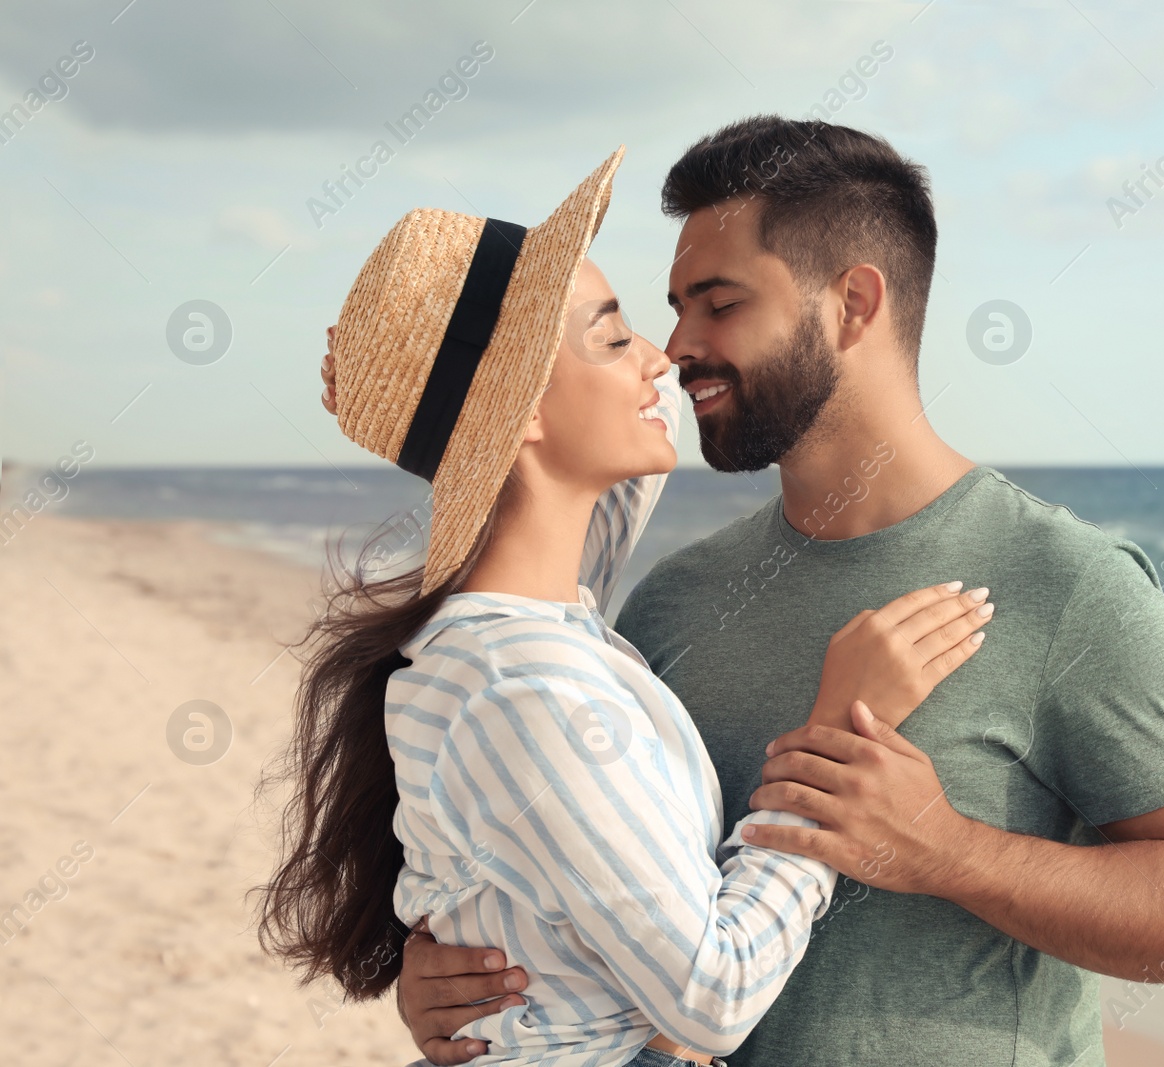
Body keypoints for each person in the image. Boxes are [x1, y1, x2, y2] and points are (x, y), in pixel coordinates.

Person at [354, 117, 1164, 1067]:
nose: (675, 347)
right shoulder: (672, 604)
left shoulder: (1065, 583)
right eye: (667, 310)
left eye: (718, 304)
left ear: (853, 304)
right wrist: (475, 989)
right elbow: (612, 904)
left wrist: (946, 849)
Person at [260, 146, 996, 1067]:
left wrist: (417, 411)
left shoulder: (542, 619)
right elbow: (711, 997)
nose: (663, 356)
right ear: (519, 411)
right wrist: (837, 734)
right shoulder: (523, 688)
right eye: (614, 337)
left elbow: (618, 475)